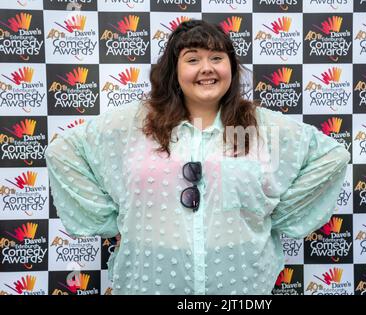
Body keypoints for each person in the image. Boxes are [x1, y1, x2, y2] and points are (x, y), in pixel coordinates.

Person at [45, 19, 350, 295]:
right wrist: (113, 219)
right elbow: (63, 152)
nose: (207, 68)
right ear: (175, 72)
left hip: (240, 286)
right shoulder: (132, 123)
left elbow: (332, 157)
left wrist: (276, 214)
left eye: (217, 58)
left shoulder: (262, 126)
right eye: (193, 59)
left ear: (230, 67)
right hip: (149, 283)